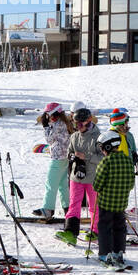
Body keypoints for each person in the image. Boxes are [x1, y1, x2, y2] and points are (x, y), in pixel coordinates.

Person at [55, 106, 101, 247]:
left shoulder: (98, 137)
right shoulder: (74, 136)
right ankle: (71, 232)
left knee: (94, 206)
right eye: (76, 124)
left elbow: (102, 158)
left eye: (80, 124)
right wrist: (72, 156)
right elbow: (69, 151)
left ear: (88, 122)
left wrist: (85, 156)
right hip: (76, 176)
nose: (78, 127)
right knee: (74, 204)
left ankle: (96, 231)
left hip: (92, 177)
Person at [93, 129, 135, 266]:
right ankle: (119, 251)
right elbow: (130, 184)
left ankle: (105, 254)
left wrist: (99, 188)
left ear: (108, 147)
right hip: (121, 203)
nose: (102, 151)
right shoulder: (128, 161)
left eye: (102, 148)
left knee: (105, 227)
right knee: (119, 227)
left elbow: (97, 184)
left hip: (106, 203)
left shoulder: (106, 162)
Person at [32, 103, 72, 220]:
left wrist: (45, 126)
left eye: (48, 115)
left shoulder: (58, 124)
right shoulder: (63, 122)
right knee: (63, 185)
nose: (47, 117)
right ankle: (68, 208)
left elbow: (49, 140)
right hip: (64, 157)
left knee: (51, 183)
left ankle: (48, 209)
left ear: (54, 114)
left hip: (58, 158)